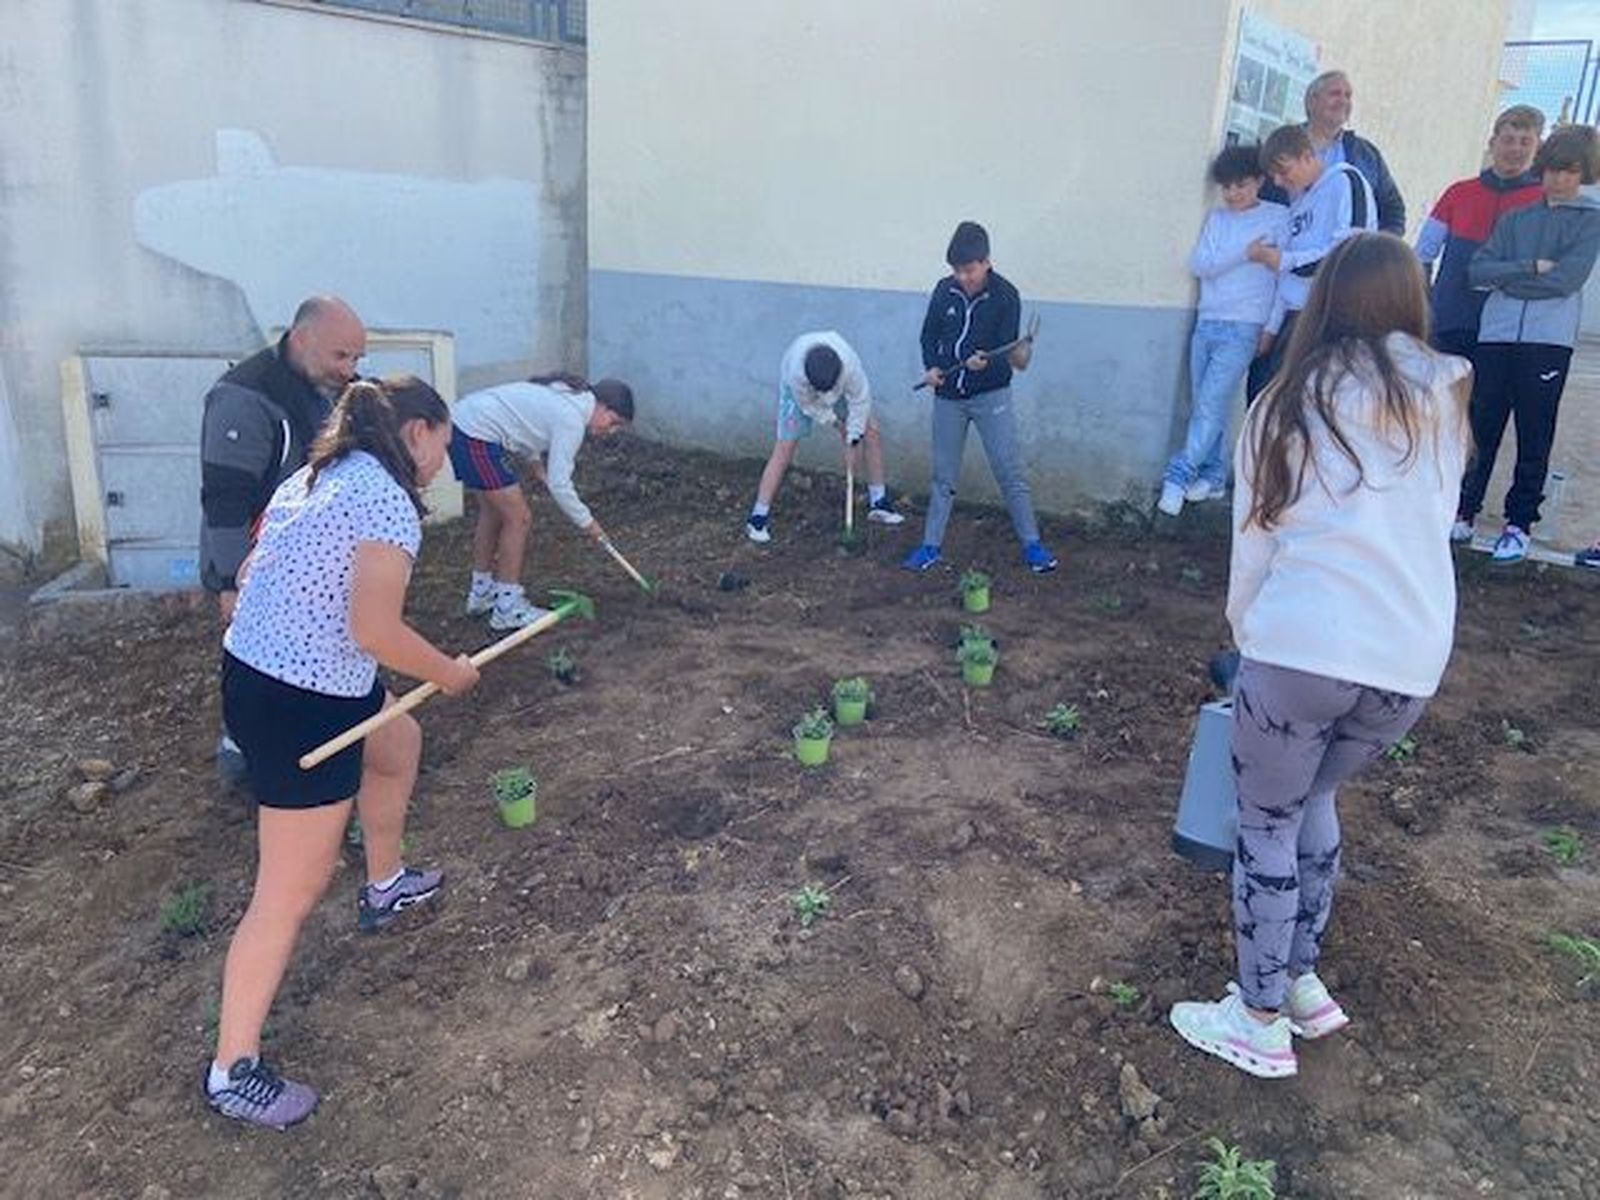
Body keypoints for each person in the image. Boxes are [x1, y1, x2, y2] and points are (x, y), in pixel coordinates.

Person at [1169, 233, 1472, 1079]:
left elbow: (1255, 539)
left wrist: (1247, 638)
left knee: (1267, 822)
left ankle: (1259, 1019)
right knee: (1316, 798)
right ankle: (1300, 983)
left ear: (1325, 300)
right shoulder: (1444, 403)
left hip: (1304, 648)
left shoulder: (1287, 402)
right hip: (1408, 660)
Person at [207, 376, 479, 1128]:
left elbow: (261, 577)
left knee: (397, 741)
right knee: (287, 892)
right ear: (416, 433)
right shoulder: (386, 500)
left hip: (264, 673)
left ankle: (385, 883)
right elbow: (375, 631)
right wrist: (448, 672)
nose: (443, 465)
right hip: (302, 701)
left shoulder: (319, 475)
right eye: (442, 447)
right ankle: (232, 1070)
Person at [200, 296, 367, 784]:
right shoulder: (244, 398)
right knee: (252, 652)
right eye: (341, 356)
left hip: (301, 551)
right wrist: (231, 582)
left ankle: (306, 732)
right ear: (301, 338)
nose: (350, 369)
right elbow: (225, 497)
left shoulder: (324, 386)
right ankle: (241, 748)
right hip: (250, 555)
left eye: (357, 358)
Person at [1455, 124, 1600, 563]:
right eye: (1553, 169)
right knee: (1482, 426)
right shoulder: (1517, 218)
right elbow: (1478, 271)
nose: (1558, 179)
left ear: (1584, 173)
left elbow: (1566, 280)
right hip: (1496, 335)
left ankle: (1518, 524)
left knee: (1534, 433)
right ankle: (1463, 511)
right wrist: (1530, 267)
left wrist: (1510, 278)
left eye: (1569, 171)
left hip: (1548, 340)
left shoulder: (1590, 220)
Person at [903, 221, 1056, 573]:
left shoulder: (1006, 295)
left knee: (1009, 470)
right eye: (956, 270)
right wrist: (932, 367)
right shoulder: (944, 290)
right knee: (943, 475)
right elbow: (929, 335)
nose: (962, 277)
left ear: (986, 262)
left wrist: (985, 362)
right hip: (948, 397)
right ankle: (930, 547)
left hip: (991, 396)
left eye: (969, 270)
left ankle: (1033, 546)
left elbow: (1007, 350)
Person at [1158, 145, 1288, 516]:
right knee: (1205, 402)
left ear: (1260, 181)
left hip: (1245, 325)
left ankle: (1179, 475)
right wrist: (1245, 254)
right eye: (1226, 186)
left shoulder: (1278, 217)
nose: (1232, 193)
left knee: (1211, 402)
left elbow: (1284, 277)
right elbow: (1201, 265)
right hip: (1207, 320)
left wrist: (1271, 326)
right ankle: (1214, 475)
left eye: (1241, 185)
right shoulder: (1217, 219)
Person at [448, 374, 634, 628]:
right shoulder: (572, 418)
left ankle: (482, 594)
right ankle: (507, 608)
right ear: (602, 406)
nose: (611, 431)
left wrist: (536, 464)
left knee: (493, 513)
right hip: (476, 434)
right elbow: (560, 485)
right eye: (614, 422)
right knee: (519, 519)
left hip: (463, 424)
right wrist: (589, 523)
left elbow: (525, 423)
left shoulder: (567, 396)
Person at [1245, 125, 1378, 402]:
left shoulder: (1346, 181)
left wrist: (1283, 260)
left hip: (1328, 317)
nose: (1278, 182)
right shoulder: (1297, 206)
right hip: (1290, 322)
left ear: (1307, 156)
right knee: (1263, 400)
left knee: (1306, 407)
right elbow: (1286, 276)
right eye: (1273, 175)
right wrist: (1271, 328)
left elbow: (1348, 252)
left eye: (1284, 171)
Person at [745, 331, 906, 542]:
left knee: (871, 431)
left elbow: (860, 402)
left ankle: (879, 502)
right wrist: (837, 423)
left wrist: (853, 438)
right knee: (786, 445)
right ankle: (758, 517)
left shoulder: (850, 366)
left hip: (839, 385)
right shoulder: (796, 374)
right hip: (801, 395)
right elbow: (809, 406)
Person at [1416, 105, 1546, 358]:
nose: (1515, 149)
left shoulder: (1544, 202)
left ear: (1537, 148)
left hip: (1507, 328)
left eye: (1525, 142)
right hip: (1449, 320)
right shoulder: (1458, 193)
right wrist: (1425, 303)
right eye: (1508, 140)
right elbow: (1423, 254)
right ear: (1492, 143)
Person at [1262, 70, 1405, 235]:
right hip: (1288, 244)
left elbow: (1393, 209)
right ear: (1311, 101)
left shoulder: (1367, 155)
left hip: (1348, 247)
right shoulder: (1282, 145)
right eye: (1335, 94)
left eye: (1348, 96)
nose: (1343, 101)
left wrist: (1381, 244)